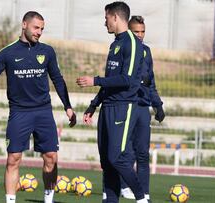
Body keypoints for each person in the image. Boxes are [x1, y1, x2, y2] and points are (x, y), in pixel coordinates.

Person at [0, 11, 76, 203]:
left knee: (51, 157)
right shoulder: (7, 53)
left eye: (42, 29)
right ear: (24, 25)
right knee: (13, 159)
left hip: (43, 111)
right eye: (36, 28)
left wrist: (68, 106)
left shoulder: (47, 51)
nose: (39, 32)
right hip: (19, 113)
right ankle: (10, 201)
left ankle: (48, 199)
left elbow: (58, 79)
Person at [76, 2, 148, 203]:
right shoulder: (114, 44)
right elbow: (110, 80)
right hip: (107, 107)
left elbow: (127, 79)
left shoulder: (132, 44)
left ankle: (142, 198)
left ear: (115, 17)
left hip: (123, 108)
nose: (104, 22)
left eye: (106, 17)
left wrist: (94, 80)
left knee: (117, 158)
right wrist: (94, 104)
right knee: (107, 162)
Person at [119, 15, 165, 202]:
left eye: (142, 31)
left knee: (143, 153)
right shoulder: (122, 48)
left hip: (143, 108)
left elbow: (151, 81)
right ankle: (123, 187)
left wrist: (158, 105)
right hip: (126, 106)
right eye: (136, 31)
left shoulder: (147, 51)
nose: (140, 35)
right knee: (126, 152)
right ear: (129, 31)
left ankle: (144, 193)